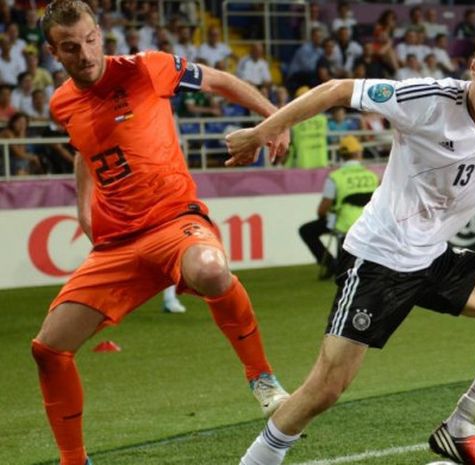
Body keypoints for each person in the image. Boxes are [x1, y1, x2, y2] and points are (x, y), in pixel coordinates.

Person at [226, 28, 475, 465]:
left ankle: (459, 428)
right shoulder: (426, 99)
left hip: (434, 257)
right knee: (327, 388)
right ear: (472, 69)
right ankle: (255, 461)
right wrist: (262, 132)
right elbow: (334, 90)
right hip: (379, 257)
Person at [32, 2, 290, 465]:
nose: (86, 53)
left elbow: (219, 80)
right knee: (49, 348)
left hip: (173, 220)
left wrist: (274, 120)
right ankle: (74, 461)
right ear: (54, 52)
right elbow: (85, 151)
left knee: (211, 270)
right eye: (71, 47)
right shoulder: (61, 102)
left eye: (91, 39)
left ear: (100, 35)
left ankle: (261, 378)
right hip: (116, 244)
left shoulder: (146, 68)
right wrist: (82, 208)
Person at [298, 135, 378, 279]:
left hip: (343, 224)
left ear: (341, 155)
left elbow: (322, 209)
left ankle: (330, 264)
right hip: (368, 223)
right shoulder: (372, 176)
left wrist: (324, 216)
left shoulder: (336, 176)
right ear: (359, 153)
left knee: (306, 231)